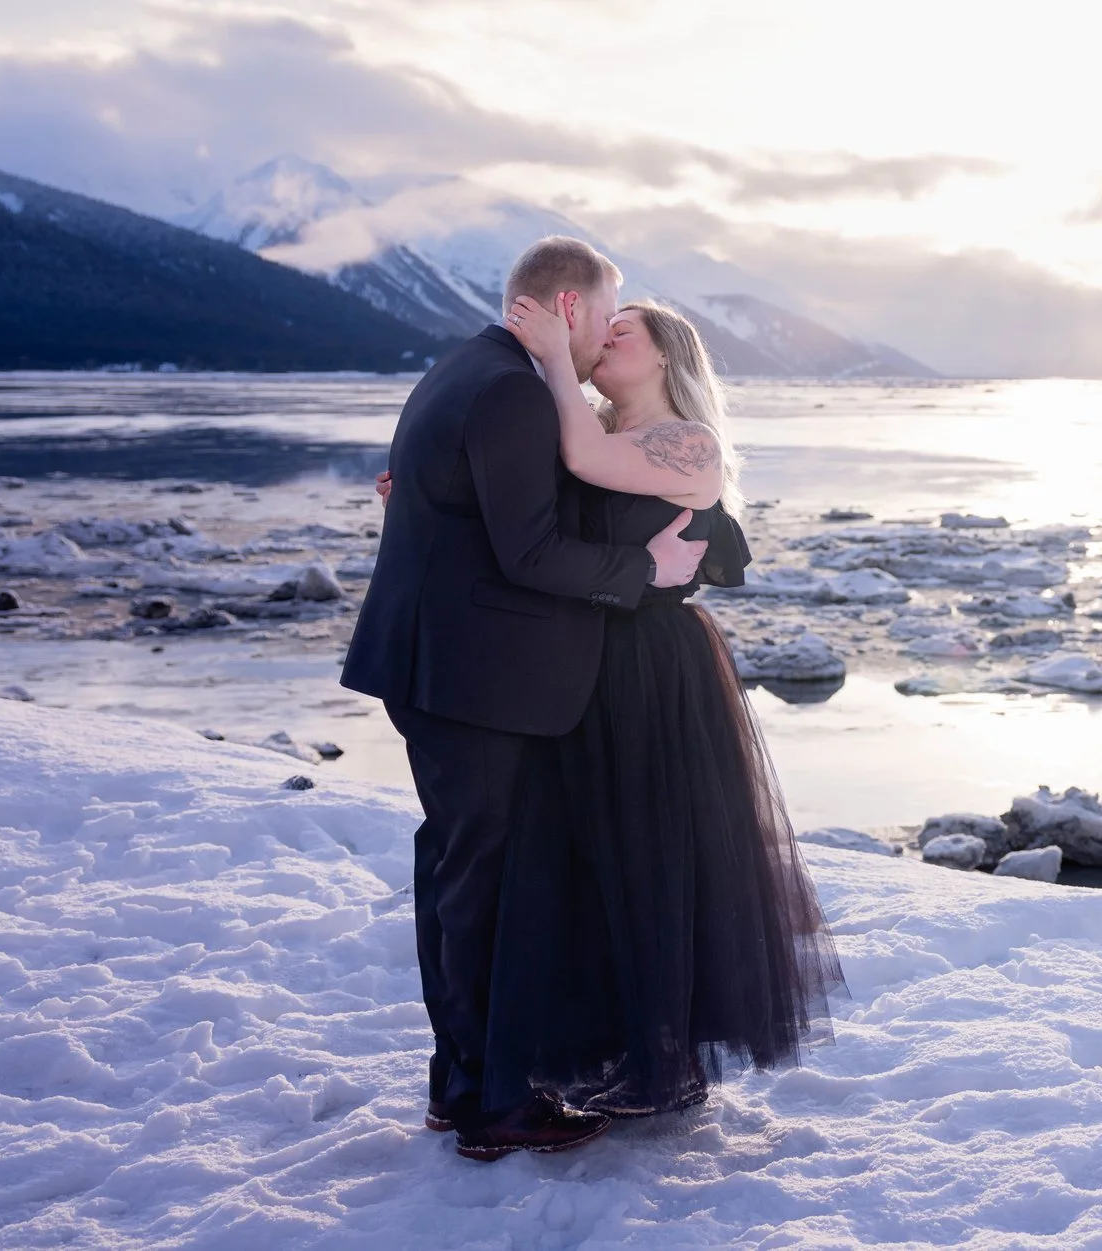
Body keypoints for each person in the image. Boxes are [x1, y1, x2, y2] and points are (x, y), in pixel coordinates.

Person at [342, 236, 707, 1162]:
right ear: (570, 307)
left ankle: (462, 1084)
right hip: (470, 676)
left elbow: (491, 501)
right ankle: (492, 1104)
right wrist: (644, 567)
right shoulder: (510, 387)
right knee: (481, 887)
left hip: (449, 666)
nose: (602, 342)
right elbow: (530, 552)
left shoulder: (475, 366)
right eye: (607, 311)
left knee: (460, 873)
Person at [497, 292, 842, 1118]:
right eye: (599, 332)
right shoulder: (596, 427)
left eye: (620, 333)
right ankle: (617, 1042)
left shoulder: (689, 441)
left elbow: (580, 464)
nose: (601, 341)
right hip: (588, 657)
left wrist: (552, 355)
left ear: (662, 357)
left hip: (654, 664)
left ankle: (667, 1055)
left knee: (656, 848)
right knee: (591, 850)